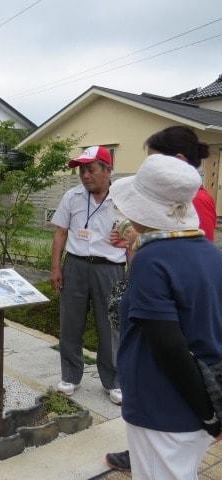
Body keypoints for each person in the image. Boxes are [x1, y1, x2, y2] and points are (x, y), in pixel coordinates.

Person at [106, 126, 215, 472]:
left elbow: (167, 345)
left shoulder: (154, 262)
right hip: (198, 403)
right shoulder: (211, 253)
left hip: (163, 406)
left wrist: (209, 413)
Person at [50, 146, 126, 405]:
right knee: (70, 323)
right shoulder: (72, 197)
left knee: (111, 326)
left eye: (90, 169)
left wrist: (130, 244)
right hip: (76, 266)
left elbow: (137, 236)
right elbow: (60, 232)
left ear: (107, 170)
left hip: (111, 269)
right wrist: (56, 267)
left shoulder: (123, 200)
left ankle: (114, 381)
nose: (85, 175)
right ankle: (70, 375)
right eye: (82, 170)